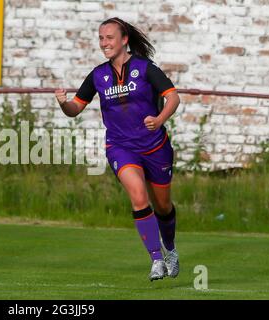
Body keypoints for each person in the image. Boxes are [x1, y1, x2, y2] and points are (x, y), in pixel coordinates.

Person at [55, 17, 181, 281]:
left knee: (164, 207)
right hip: (121, 147)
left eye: (109, 37)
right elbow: (75, 109)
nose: (104, 43)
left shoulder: (146, 68)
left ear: (124, 40)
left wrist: (159, 120)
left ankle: (170, 250)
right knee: (137, 196)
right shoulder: (98, 75)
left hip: (155, 147)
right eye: (101, 38)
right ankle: (156, 259)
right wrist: (63, 103)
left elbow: (173, 97)